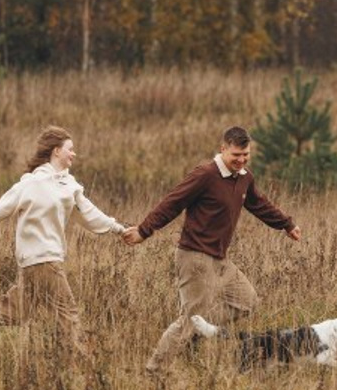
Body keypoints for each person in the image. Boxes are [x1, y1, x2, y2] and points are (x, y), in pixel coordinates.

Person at [122, 125, 301, 373]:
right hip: (194, 256)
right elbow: (172, 202)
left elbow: (258, 204)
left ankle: (197, 331)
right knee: (190, 319)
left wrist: (286, 224)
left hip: (220, 258)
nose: (241, 160)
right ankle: (154, 370)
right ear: (223, 149)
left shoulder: (244, 177)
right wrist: (144, 230)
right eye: (235, 155)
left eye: (245, 155)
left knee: (245, 301)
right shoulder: (205, 174)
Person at [0, 125, 127, 353]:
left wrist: (118, 229)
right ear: (56, 151)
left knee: (17, 311)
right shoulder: (31, 183)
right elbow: (3, 207)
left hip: (39, 261)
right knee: (68, 313)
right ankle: (82, 367)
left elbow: (90, 213)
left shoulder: (69, 186)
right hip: (43, 259)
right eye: (70, 149)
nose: (74, 154)